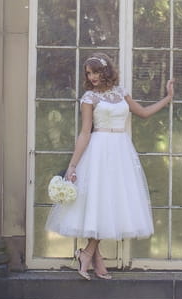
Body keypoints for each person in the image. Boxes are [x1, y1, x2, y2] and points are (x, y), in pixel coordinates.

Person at [46, 53, 174, 280]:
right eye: (88, 73)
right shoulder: (89, 98)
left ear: (105, 71)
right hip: (99, 150)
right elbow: (85, 132)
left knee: (112, 201)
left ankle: (90, 255)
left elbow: (143, 113)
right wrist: (73, 166)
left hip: (121, 150)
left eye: (95, 72)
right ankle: (90, 255)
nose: (92, 77)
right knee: (101, 201)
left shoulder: (121, 93)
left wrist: (168, 98)